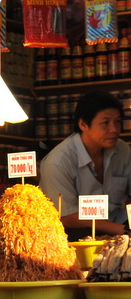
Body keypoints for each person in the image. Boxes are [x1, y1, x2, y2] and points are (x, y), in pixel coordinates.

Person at [39, 91, 131, 240]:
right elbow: (65, 216)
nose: (114, 129)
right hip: (76, 237)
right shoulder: (57, 162)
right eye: (105, 123)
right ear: (83, 124)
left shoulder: (122, 150)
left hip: (120, 225)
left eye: (118, 122)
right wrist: (122, 231)